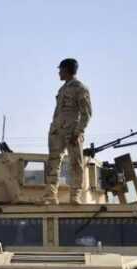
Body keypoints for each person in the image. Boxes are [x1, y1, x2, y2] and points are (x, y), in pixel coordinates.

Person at [43, 58, 92, 204]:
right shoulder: (62, 89)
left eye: (61, 69)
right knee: (53, 163)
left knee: (75, 163)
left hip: (72, 131)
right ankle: (50, 196)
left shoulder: (80, 88)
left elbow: (86, 114)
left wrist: (78, 132)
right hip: (57, 131)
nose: (59, 72)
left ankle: (75, 195)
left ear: (67, 70)